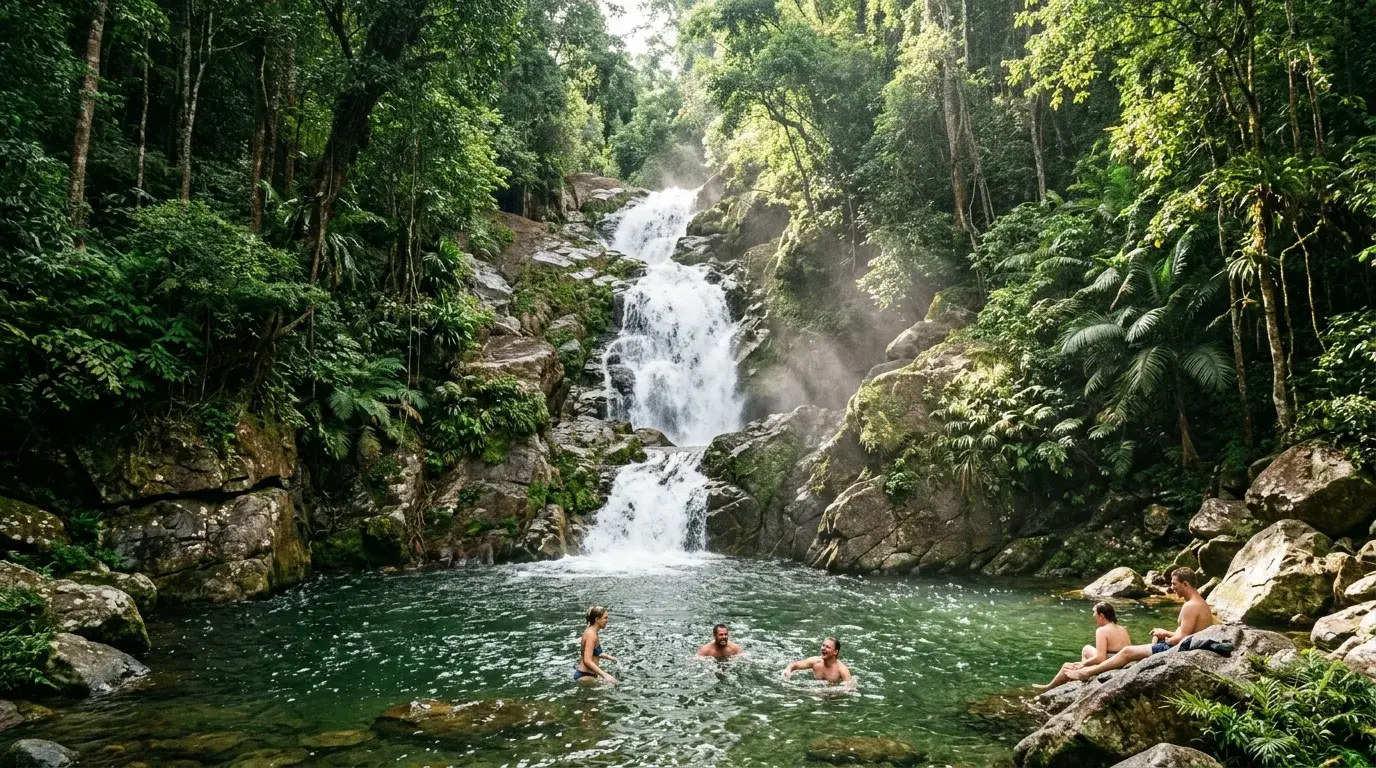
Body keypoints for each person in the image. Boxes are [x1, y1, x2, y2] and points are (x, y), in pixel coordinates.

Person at [1067, 567, 1215, 682]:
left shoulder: (1190, 606)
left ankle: (1089, 672)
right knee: (1156, 637)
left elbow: (1182, 638)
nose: (1172, 587)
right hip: (1190, 646)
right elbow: (1190, 634)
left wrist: (1168, 639)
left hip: (1182, 649)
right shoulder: (1201, 603)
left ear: (1185, 584)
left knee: (1127, 651)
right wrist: (1165, 633)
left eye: (1174, 584)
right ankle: (1138, 664)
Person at [1034, 602, 1131, 691]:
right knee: (1086, 648)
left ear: (1101, 615)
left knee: (1066, 667)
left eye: (1094, 613)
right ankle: (1078, 675)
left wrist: (1083, 664)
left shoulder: (1101, 630)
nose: (1093, 616)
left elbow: (1101, 658)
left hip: (1110, 664)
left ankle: (1048, 688)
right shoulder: (1122, 629)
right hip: (1120, 663)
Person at [574, 605, 617, 684]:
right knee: (613, 684)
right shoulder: (591, 635)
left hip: (589, 674)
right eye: (605, 618)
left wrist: (610, 657)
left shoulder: (592, 630)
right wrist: (605, 675)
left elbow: (595, 652)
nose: (607, 621)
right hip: (585, 675)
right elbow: (587, 660)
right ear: (597, 619)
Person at [782, 637, 851, 684]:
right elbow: (796, 665)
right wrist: (788, 669)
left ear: (835, 652)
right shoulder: (815, 661)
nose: (823, 648)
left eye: (828, 647)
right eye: (823, 645)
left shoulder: (841, 669)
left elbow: (850, 687)